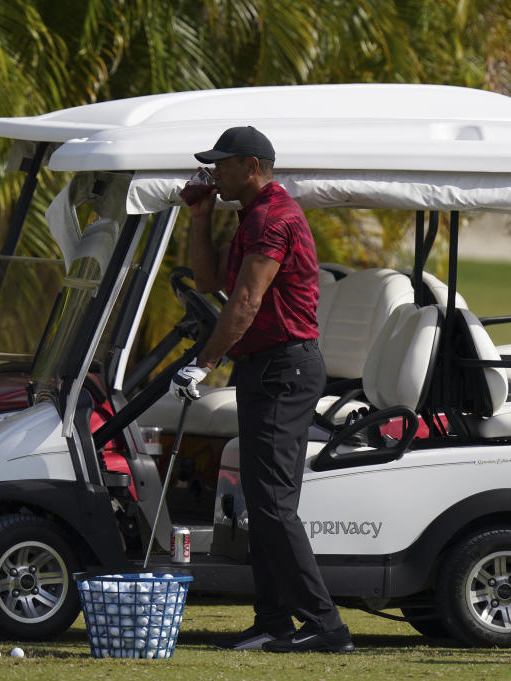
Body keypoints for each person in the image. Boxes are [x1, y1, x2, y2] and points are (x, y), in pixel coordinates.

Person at [169, 125, 354, 654]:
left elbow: (246, 302)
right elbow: (210, 286)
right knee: (267, 501)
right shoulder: (249, 215)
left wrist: (203, 364)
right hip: (266, 367)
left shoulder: (273, 216)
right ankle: (274, 619)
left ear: (252, 166)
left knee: (272, 504)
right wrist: (199, 218)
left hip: (284, 369)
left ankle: (326, 626)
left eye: (222, 165)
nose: (214, 172)